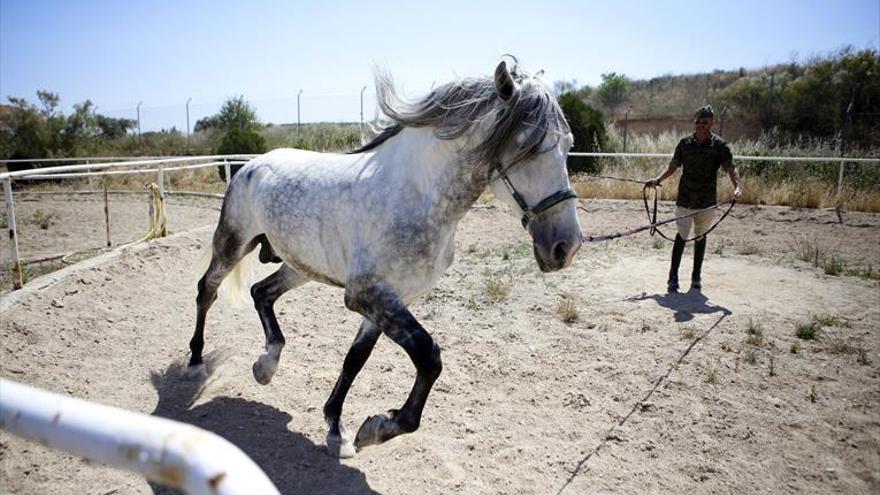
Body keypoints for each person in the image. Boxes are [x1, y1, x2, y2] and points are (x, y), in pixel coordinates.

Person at [645, 105, 742, 292]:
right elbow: (673, 166)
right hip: (685, 199)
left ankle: (696, 277)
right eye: (697, 122)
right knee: (681, 236)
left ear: (712, 122)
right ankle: (673, 277)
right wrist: (658, 180)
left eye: (704, 122)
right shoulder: (684, 144)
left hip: (706, 201)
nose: (700, 125)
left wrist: (737, 186)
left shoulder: (719, 146)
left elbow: (731, 167)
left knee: (700, 237)